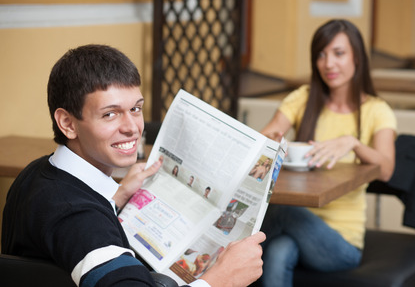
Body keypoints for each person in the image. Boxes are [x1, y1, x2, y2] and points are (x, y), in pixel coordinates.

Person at [1, 44, 265, 287]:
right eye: (110, 114)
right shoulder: (78, 217)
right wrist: (220, 279)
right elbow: (81, 226)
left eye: (136, 109)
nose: (131, 128)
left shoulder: (37, 173)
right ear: (68, 123)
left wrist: (117, 198)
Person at [258, 19, 397, 286]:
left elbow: (387, 167)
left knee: (281, 211)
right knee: (278, 250)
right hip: (295, 230)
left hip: (341, 243)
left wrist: (354, 143)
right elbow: (266, 135)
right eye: (320, 55)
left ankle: (218, 250)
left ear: (357, 56)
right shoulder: (303, 98)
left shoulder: (377, 111)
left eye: (338, 53)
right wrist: (273, 141)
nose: (328, 64)